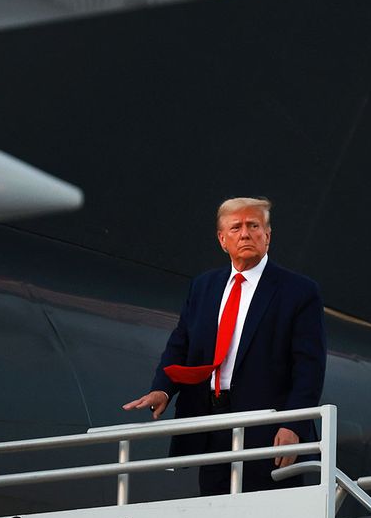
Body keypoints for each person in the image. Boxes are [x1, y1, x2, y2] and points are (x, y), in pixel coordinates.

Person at [123, 197, 326, 495]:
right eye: (236, 227)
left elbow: (309, 367)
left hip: (269, 428)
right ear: (222, 240)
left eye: (253, 225)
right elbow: (182, 343)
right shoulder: (204, 286)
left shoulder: (299, 291)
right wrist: (163, 387)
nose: (245, 234)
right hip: (212, 422)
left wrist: (293, 424)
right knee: (215, 514)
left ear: (267, 235)